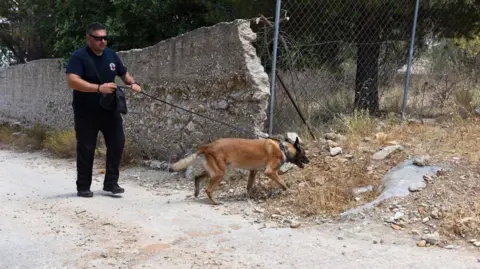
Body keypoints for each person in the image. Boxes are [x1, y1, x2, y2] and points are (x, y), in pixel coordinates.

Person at [65, 22, 141, 198]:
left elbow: (124, 73)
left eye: (105, 37)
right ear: (89, 38)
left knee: (117, 142)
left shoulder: (111, 55)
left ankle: (111, 183)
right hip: (86, 111)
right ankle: (83, 186)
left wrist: (133, 83)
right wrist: (98, 88)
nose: (102, 41)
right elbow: (72, 81)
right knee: (86, 147)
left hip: (109, 108)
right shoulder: (79, 57)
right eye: (98, 38)